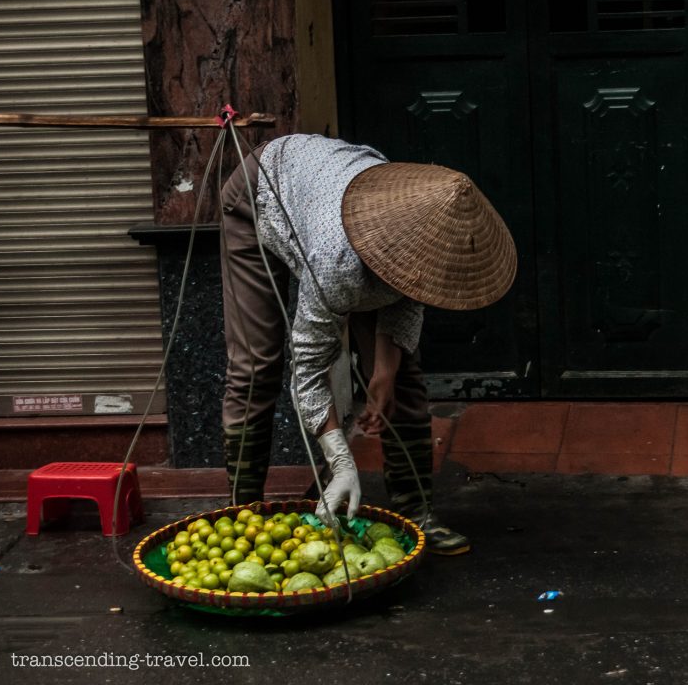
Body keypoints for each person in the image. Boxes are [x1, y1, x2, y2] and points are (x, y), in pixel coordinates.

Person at [219, 134, 516, 555]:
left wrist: (384, 372)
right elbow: (306, 369)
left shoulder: (425, 226)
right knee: (257, 365)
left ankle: (416, 512)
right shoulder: (335, 259)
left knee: (404, 375)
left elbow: (408, 294)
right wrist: (340, 459)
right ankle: (240, 516)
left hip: (333, 194)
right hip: (261, 192)